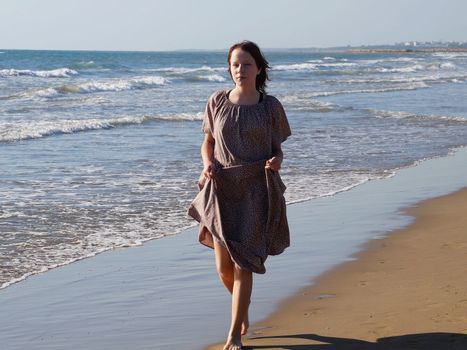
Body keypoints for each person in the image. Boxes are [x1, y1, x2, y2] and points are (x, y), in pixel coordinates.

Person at [187, 40, 291, 350]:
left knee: (244, 263)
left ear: (259, 68)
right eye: (235, 64)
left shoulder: (270, 106)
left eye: (246, 64)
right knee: (223, 267)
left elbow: (278, 149)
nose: (240, 70)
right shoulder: (217, 101)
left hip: (257, 190)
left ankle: (234, 334)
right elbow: (207, 142)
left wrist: (277, 161)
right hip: (221, 188)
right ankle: (241, 309)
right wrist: (206, 165)